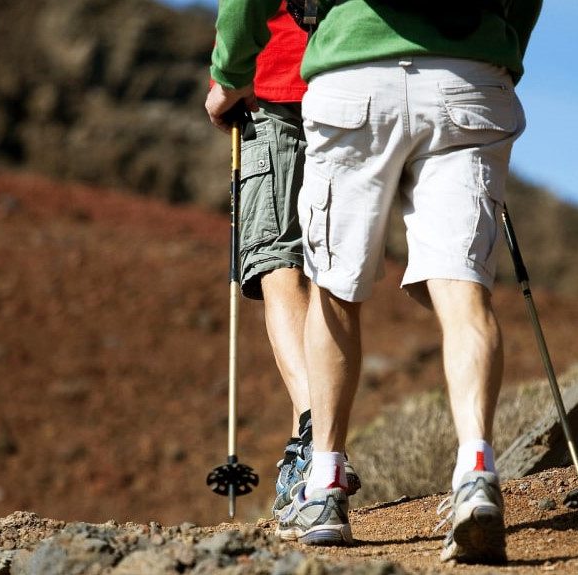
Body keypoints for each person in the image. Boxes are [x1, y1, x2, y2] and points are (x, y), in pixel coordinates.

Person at [207, 0, 541, 564]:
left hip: (351, 75)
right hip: (471, 74)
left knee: (333, 289)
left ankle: (324, 482)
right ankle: (477, 471)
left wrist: (230, 73)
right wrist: (500, 48)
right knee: (464, 288)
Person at [204, 1, 359, 518]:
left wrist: (227, 77)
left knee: (279, 265)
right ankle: (309, 471)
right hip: (355, 85)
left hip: (272, 88)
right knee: (330, 273)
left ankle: (317, 438)